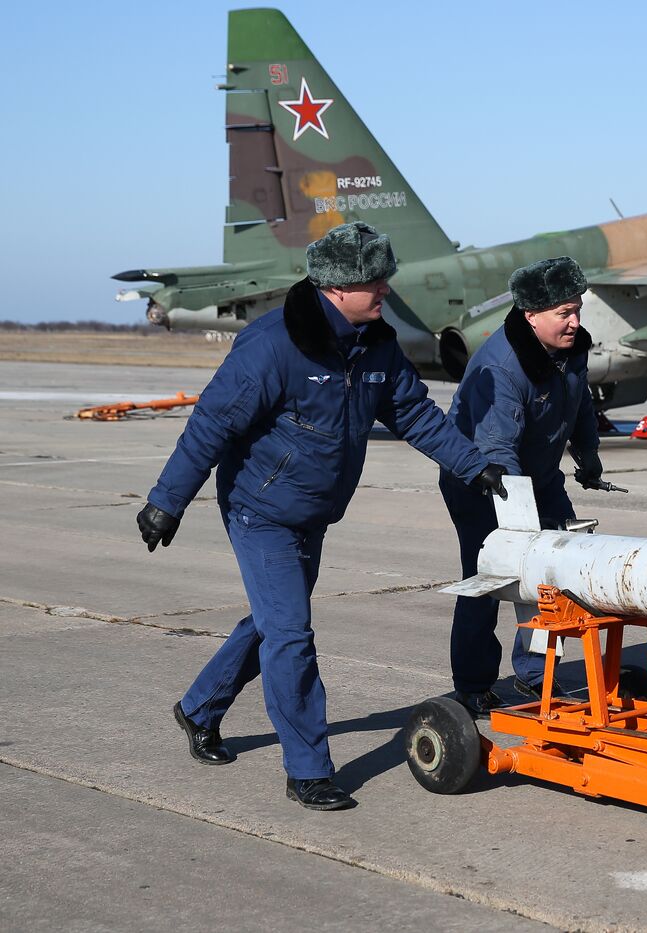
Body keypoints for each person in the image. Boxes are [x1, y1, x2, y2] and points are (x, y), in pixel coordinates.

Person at [137, 221, 506, 812]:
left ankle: (199, 708)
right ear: (338, 288)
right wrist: (166, 502)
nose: (385, 291)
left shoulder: (376, 342)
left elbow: (413, 411)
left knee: (269, 623)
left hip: (315, 512)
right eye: (375, 283)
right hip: (260, 511)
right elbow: (212, 423)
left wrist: (471, 465)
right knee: (291, 635)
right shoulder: (273, 345)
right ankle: (308, 769)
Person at [440, 256, 604, 715]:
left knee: (553, 576)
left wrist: (587, 456)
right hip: (481, 482)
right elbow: (498, 450)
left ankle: (537, 676)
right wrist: (521, 526)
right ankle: (472, 685)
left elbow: (580, 403)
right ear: (531, 316)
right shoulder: (503, 366)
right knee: (492, 580)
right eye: (563, 314)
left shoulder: (572, 349)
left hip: (541, 476)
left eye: (577, 310)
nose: (574, 323)